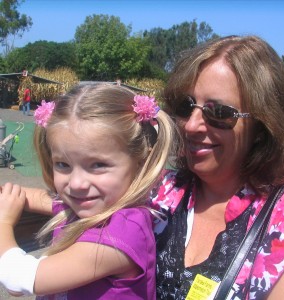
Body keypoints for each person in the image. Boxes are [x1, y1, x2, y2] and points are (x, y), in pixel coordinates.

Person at [151, 35, 284, 299]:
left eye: (219, 112)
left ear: (261, 126)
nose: (191, 125)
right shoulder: (161, 189)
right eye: (186, 106)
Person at [0, 83, 180, 299]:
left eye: (97, 165)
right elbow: (41, 198)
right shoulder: (96, 208)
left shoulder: (121, 235)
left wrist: (4, 222)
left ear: (141, 163)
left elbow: (17, 280)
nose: (76, 184)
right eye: (63, 165)